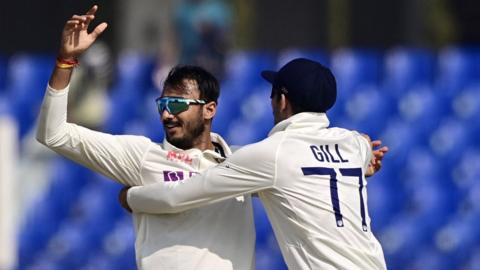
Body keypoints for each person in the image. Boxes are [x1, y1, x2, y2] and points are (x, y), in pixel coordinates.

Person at [36, 6, 255, 270]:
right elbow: (53, 133)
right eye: (162, 104)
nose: (166, 115)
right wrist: (65, 62)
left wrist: (134, 198)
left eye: (176, 105)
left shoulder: (245, 161)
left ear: (209, 109)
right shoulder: (141, 155)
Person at [122, 58, 388, 269]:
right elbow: (362, 148)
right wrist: (361, 167)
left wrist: (132, 197)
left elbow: (178, 196)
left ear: (282, 100)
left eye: (273, 94)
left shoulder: (271, 153)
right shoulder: (353, 144)